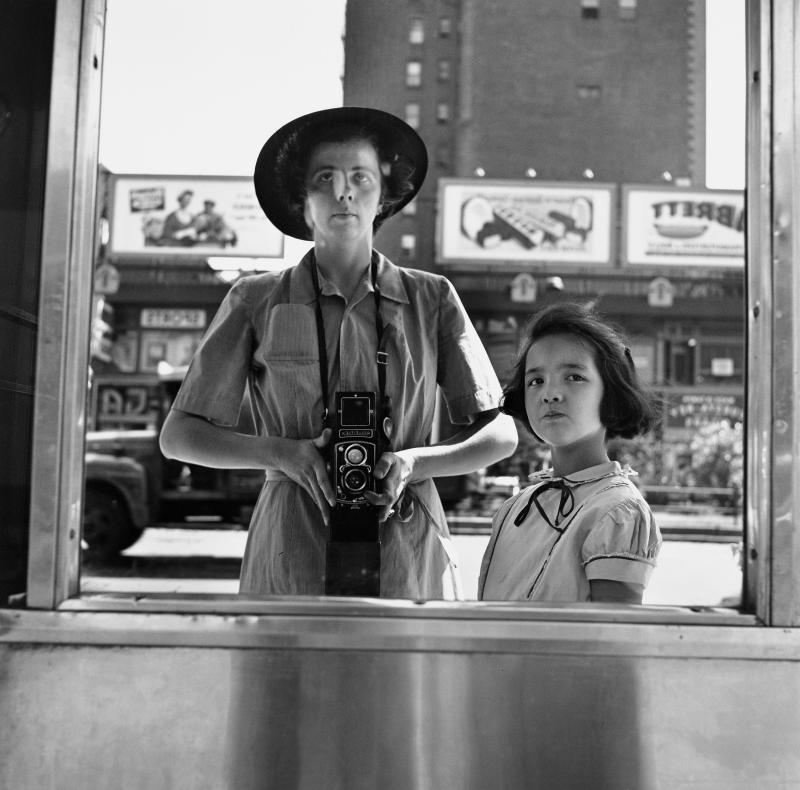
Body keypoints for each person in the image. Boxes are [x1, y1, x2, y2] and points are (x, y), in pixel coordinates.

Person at [159, 106, 517, 598]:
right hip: (290, 550)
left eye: (360, 177)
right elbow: (179, 436)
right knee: (286, 676)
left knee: (405, 677)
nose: (343, 191)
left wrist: (415, 463)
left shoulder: (431, 298)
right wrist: (280, 453)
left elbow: (500, 433)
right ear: (302, 201)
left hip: (406, 548)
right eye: (324, 177)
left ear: (383, 197)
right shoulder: (255, 299)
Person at [478, 302, 662, 604]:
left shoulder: (618, 512)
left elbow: (611, 639)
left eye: (574, 377)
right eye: (536, 380)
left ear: (611, 394)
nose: (550, 393)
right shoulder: (514, 508)